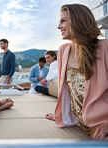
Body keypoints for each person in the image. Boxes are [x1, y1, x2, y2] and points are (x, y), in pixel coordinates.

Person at [46, 4, 108, 139]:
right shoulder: (63, 51)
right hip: (86, 126)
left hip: (103, 125)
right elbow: (69, 91)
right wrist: (61, 115)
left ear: (77, 21)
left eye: (63, 21)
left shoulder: (104, 47)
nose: (58, 26)